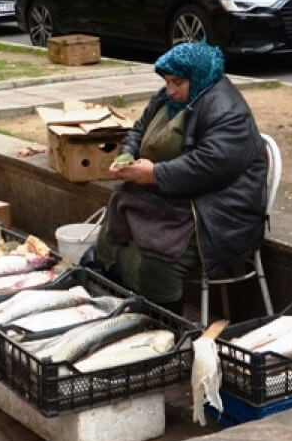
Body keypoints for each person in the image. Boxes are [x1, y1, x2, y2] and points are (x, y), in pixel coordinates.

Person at [93, 41, 269, 315]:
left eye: (177, 82)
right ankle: (117, 306)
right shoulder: (170, 96)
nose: (170, 89)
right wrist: (126, 155)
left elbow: (208, 167)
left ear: (197, 77)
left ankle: (164, 325)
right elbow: (139, 129)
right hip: (178, 196)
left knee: (159, 258)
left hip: (221, 213)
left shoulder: (228, 112)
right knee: (113, 234)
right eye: (167, 81)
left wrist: (154, 174)